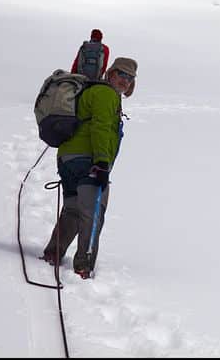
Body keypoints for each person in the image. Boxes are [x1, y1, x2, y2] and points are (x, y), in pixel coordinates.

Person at [42, 56, 137, 279]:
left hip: (68, 158)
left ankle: (53, 253)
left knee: (74, 209)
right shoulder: (105, 94)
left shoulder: (91, 91)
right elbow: (101, 127)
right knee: (94, 212)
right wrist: (102, 163)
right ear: (110, 72)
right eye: (121, 74)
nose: (125, 80)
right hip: (88, 159)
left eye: (130, 77)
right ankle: (83, 266)